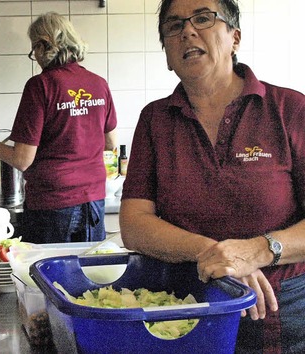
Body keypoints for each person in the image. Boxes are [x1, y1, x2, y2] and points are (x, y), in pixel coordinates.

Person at [120, 0, 305, 352]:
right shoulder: (155, 120)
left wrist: (259, 250)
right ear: (167, 56)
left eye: (203, 18)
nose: (187, 30)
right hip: (185, 306)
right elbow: (134, 224)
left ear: (234, 37)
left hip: (282, 310)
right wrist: (212, 252)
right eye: (173, 26)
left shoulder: (290, 109)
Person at [0, 12, 118, 244]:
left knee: (45, 276)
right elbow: (111, 143)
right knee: (87, 274)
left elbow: (23, 159)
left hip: (52, 204)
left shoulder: (41, 86)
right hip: (93, 200)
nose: (35, 55)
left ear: (45, 44)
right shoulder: (98, 84)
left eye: (35, 48)